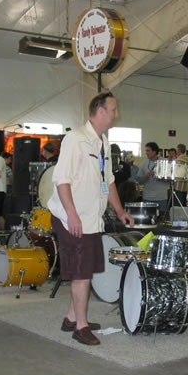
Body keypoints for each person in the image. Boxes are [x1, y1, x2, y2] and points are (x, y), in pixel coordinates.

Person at [47, 91, 134, 346]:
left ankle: (72, 318)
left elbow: (109, 182)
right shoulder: (75, 139)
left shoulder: (102, 142)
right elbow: (62, 180)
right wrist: (72, 215)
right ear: (101, 111)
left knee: (84, 270)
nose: (117, 114)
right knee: (82, 273)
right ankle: (81, 327)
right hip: (72, 219)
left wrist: (120, 211)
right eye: (114, 110)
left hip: (91, 219)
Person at [137, 142, 169, 212]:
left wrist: (161, 178)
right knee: (147, 217)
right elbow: (139, 180)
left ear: (154, 152)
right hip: (147, 198)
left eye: (148, 150)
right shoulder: (144, 163)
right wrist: (146, 176)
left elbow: (170, 179)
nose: (146, 153)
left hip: (161, 198)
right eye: (146, 151)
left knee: (161, 217)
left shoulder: (165, 162)